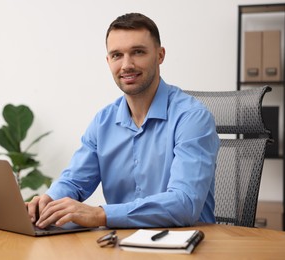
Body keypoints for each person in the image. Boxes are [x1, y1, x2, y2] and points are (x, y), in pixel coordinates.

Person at [26, 13, 220, 228]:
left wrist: (100, 215)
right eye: (117, 55)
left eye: (138, 52)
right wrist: (48, 202)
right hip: (120, 245)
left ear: (160, 55)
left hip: (186, 246)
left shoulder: (192, 118)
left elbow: (184, 204)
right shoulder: (103, 122)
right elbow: (74, 181)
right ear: (108, 61)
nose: (127, 65)